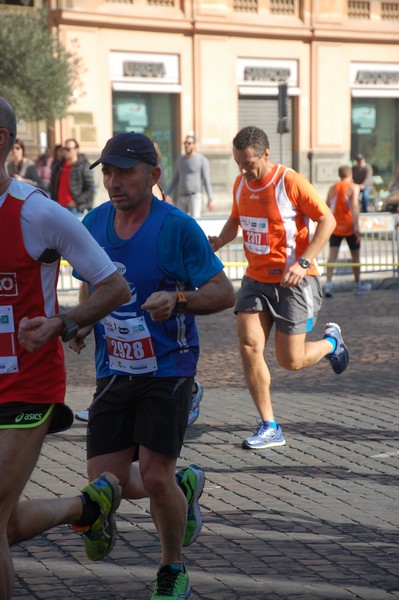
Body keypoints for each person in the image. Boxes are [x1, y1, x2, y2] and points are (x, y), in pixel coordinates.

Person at [69, 130, 235, 600]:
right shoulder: (94, 222)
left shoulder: (176, 227)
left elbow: (225, 293)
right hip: (114, 369)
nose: (114, 181)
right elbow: (90, 283)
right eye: (108, 172)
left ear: (153, 175)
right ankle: (184, 489)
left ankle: (171, 567)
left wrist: (179, 299)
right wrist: (82, 324)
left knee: (156, 475)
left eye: (126, 171)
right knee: (109, 482)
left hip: (169, 367)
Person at [0, 97, 133, 600]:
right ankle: (88, 507)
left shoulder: (37, 213)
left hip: (27, 383)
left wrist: (61, 322)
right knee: (5, 525)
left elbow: (114, 287)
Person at [208, 125, 350, 451]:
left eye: (249, 164)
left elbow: (327, 220)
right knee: (248, 344)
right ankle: (269, 425)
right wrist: (219, 241)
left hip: (294, 281)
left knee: (291, 360)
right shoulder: (241, 183)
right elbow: (236, 220)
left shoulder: (291, 182)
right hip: (256, 279)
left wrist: (303, 262)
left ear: (266, 155)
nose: (244, 171)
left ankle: (332, 343)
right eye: (238, 164)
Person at [324, 165, 372, 298]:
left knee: (332, 256)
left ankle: (329, 284)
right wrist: (356, 226)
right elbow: (355, 206)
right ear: (350, 174)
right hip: (350, 226)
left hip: (335, 226)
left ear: (339, 175)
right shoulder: (353, 187)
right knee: (355, 256)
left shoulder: (332, 188)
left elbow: (326, 206)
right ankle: (357, 285)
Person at [165, 134, 214, 219]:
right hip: (181, 197)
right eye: (185, 143)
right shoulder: (180, 159)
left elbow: (206, 181)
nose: (186, 145)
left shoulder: (202, 160)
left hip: (195, 197)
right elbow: (175, 178)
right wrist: (168, 193)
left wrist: (210, 199)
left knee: (195, 222)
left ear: (194, 145)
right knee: (178, 220)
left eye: (189, 143)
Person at [49, 138, 95, 217]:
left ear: (76, 150)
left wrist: (76, 201)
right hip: (59, 208)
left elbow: (90, 189)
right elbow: (52, 184)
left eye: (68, 149)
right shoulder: (58, 166)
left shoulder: (83, 166)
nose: (65, 151)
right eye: (64, 149)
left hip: (75, 210)